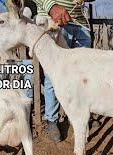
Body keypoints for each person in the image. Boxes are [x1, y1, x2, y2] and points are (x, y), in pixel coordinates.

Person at [31, 0, 92, 142]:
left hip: (80, 23)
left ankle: (79, 116)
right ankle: (52, 120)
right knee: (54, 75)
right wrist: (52, 7)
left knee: (83, 76)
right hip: (54, 21)